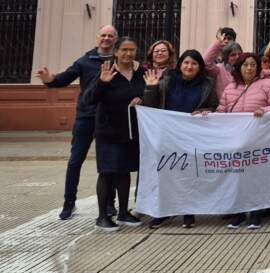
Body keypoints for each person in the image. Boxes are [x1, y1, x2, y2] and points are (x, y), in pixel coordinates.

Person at [36, 24, 119, 220]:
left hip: (109, 118)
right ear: (97, 38)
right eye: (103, 35)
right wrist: (49, 80)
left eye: (110, 36)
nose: (106, 38)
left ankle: (109, 203)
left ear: (115, 39)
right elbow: (64, 79)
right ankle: (69, 203)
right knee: (75, 161)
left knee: (109, 163)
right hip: (86, 117)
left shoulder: (119, 60)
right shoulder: (85, 61)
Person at [143, 49, 219, 229]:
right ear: (180, 65)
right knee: (165, 174)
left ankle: (188, 212)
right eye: (186, 63)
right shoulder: (168, 79)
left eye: (194, 63)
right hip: (167, 134)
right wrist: (151, 88)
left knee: (189, 174)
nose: (189, 66)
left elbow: (213, 106)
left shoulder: (207, 84)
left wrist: (206, 111)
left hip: (192, 135)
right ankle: (162, 212)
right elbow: (150, 106)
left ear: (200, 67)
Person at [81, 37, 146, 231]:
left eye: (132, 50)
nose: (128, 54)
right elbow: (88, 100)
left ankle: (124, 212)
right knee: (107, 173)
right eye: (124, 50)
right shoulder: (106, 71)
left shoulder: (139, 72)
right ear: (116, 52)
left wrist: (142, 98)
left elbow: (146, 93)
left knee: (124, 172)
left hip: (130, 132)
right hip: (108, 132)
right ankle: (102, 216)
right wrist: (101, 82)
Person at [216, 51, 270, 228]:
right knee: (237, 178)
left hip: (258, 140)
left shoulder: (268, 84)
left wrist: (265, 110)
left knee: (255, 177)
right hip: (235, 142)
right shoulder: (230, 88)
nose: (249, 68)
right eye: (245, 64)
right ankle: (238, 213)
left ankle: (255, 213)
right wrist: (207, 116)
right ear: (238, 67)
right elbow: (221, 111)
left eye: (253, 64)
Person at [203, 28, 244, 98]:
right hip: (223, 106)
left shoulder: (245, 68)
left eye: (239, 54)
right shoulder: (219, 68)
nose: (237, 57)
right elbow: (205, 62)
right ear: (227, 57)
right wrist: (218, 43)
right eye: (233, 55)